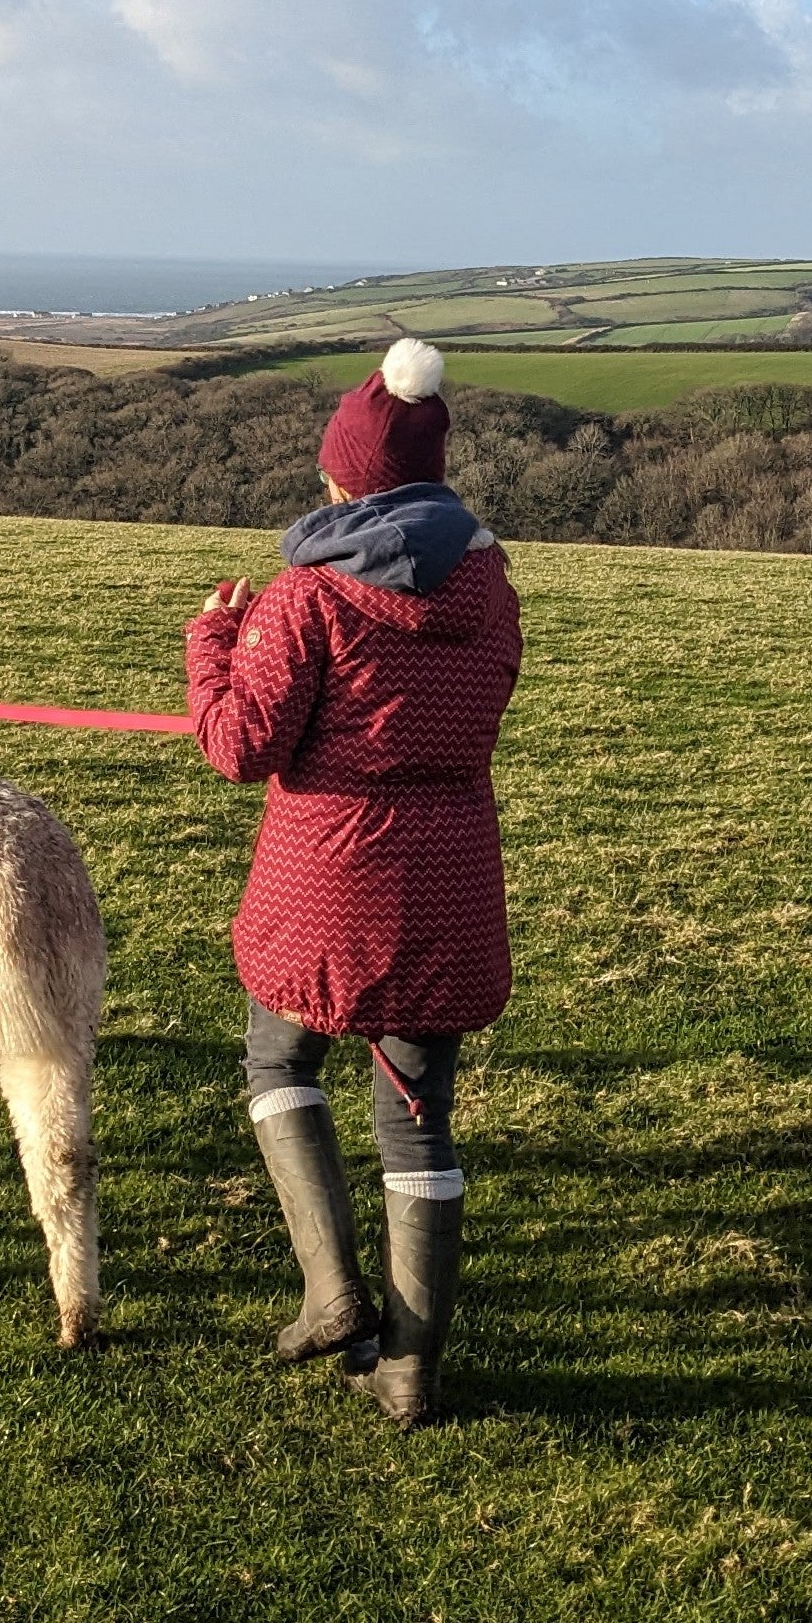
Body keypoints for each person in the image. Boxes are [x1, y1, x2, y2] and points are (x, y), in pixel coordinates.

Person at [188, 337, 522, 1426]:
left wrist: (211, 646)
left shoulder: (305, 599)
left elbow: (241, 746)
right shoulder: (493, 589)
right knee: (420, 1120)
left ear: (346, 477)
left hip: (323, 875)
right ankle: (413, 1372)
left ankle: (332, 1292)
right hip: (449, 876)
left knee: (279, 1055)